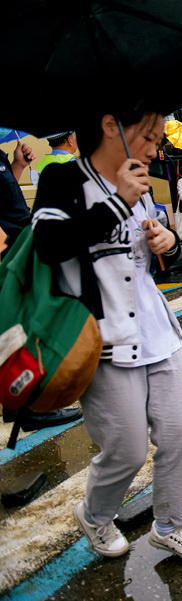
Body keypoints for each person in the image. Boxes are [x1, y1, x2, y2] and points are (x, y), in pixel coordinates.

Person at [31, 103, 182, 563]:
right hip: (101, 341)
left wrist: (167, 242)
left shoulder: (142, 181)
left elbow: (151, 254)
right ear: (111, 126)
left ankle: (171, 526)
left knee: (179, 435)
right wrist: (117, 202)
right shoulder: (63, 180)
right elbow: (49, 246)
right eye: (150, 137)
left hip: (157, 331)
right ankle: (95, 515)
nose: (156, 148)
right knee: (127, 449)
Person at [0, 131, 83, 431]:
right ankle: (29, 406)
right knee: (21, 329)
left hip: (19, 245)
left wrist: (17, 166)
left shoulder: (2, 157)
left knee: (21, 329)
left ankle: (22, 401)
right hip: (11, 254)